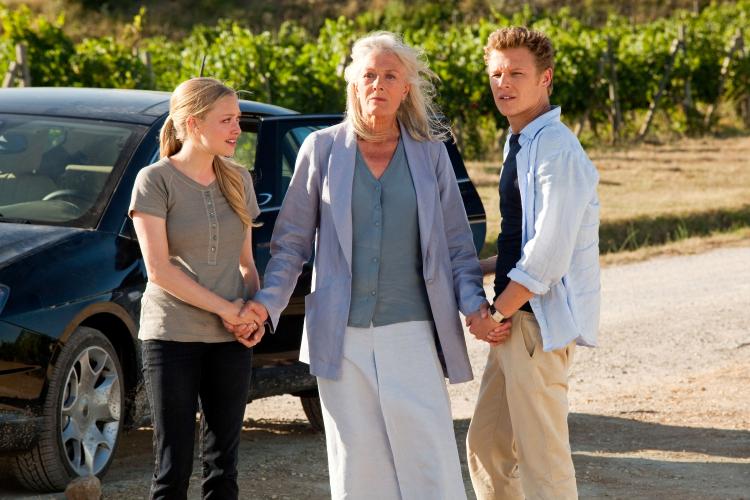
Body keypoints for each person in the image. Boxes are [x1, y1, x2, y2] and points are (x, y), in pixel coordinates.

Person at [240, 31, 509, 500]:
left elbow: (457, 247)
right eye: (368, 75)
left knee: (428, 460)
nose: (378, 85)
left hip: (414, 330)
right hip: (339, 335)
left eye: (389, 76)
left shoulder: (431, 154)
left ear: (406, 88)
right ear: (353, 83)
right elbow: (290, 245)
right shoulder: (321, 150)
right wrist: (265, 306)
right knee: (358, 466)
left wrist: (475, 307)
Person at [465, 27, 601, 500]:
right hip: (515, 320)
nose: (503, 83)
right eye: (496, 74)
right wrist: (483, 266)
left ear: (545, 78)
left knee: (544, 460)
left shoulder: (557, 148)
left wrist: (494, 313)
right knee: (488, 447)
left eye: (516, 73)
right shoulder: (520, 140)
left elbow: (547, 254)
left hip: (532, 324)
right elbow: (520, 237)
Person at [129, 77, 265, 500]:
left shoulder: (239, 179)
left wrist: (253, 314)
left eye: (238, 119)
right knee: (173, 468)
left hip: (231, 339)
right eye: (227, 120)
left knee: (224, 467)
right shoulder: (154, 180)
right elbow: (159, 271)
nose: (237, 129)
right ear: (193, 123)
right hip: (172, 336)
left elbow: (247, 263)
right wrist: (228, 310)